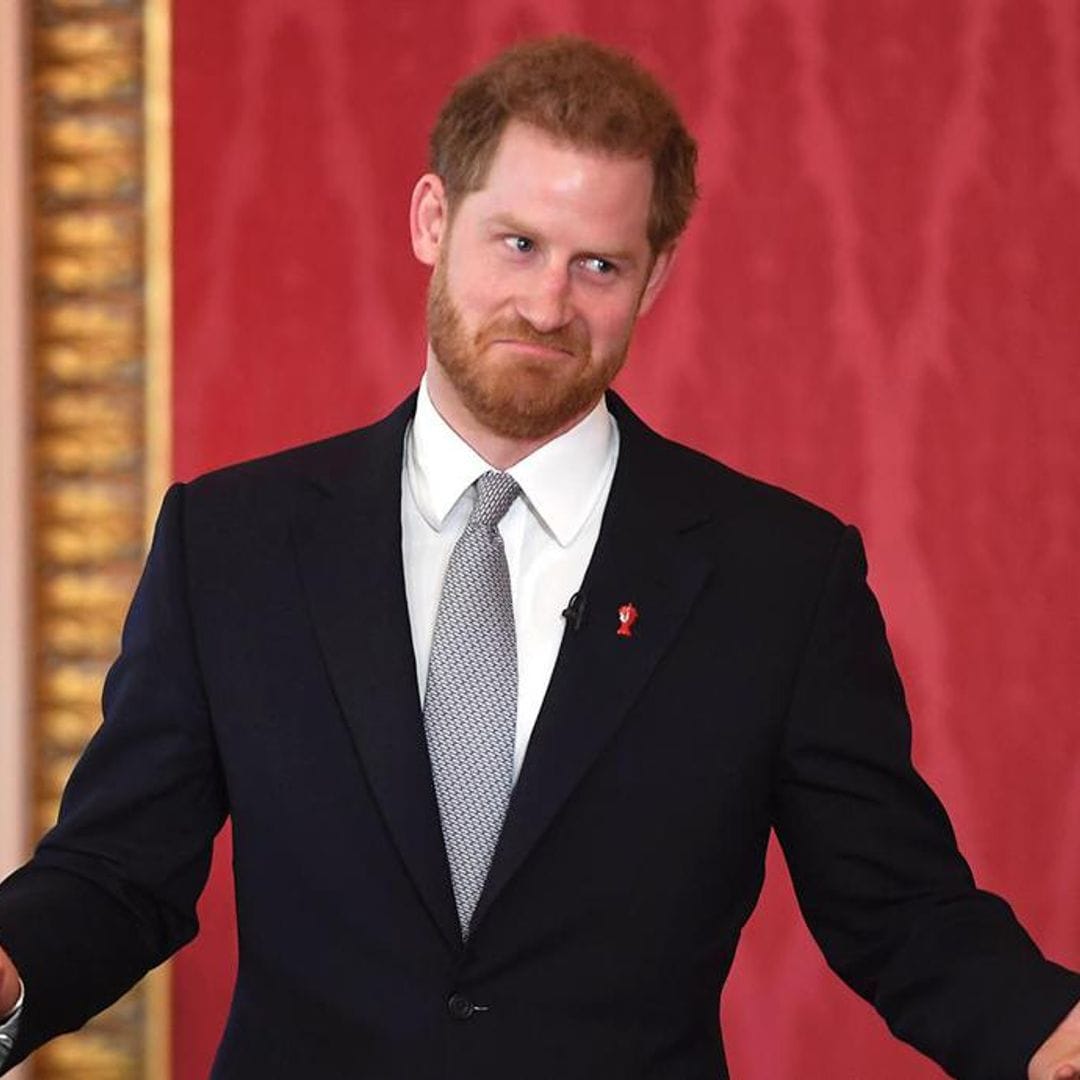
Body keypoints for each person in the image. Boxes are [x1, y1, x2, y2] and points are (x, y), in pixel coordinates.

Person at [0, 35, 1078, 1079]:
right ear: (433, 219)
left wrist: (1048, 1036)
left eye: (598, 265)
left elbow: (897, 906)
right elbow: (118, 870)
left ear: (654, 278)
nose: (548, 305)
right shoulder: (232, 541)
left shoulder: (780, 576)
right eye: (516, 244)